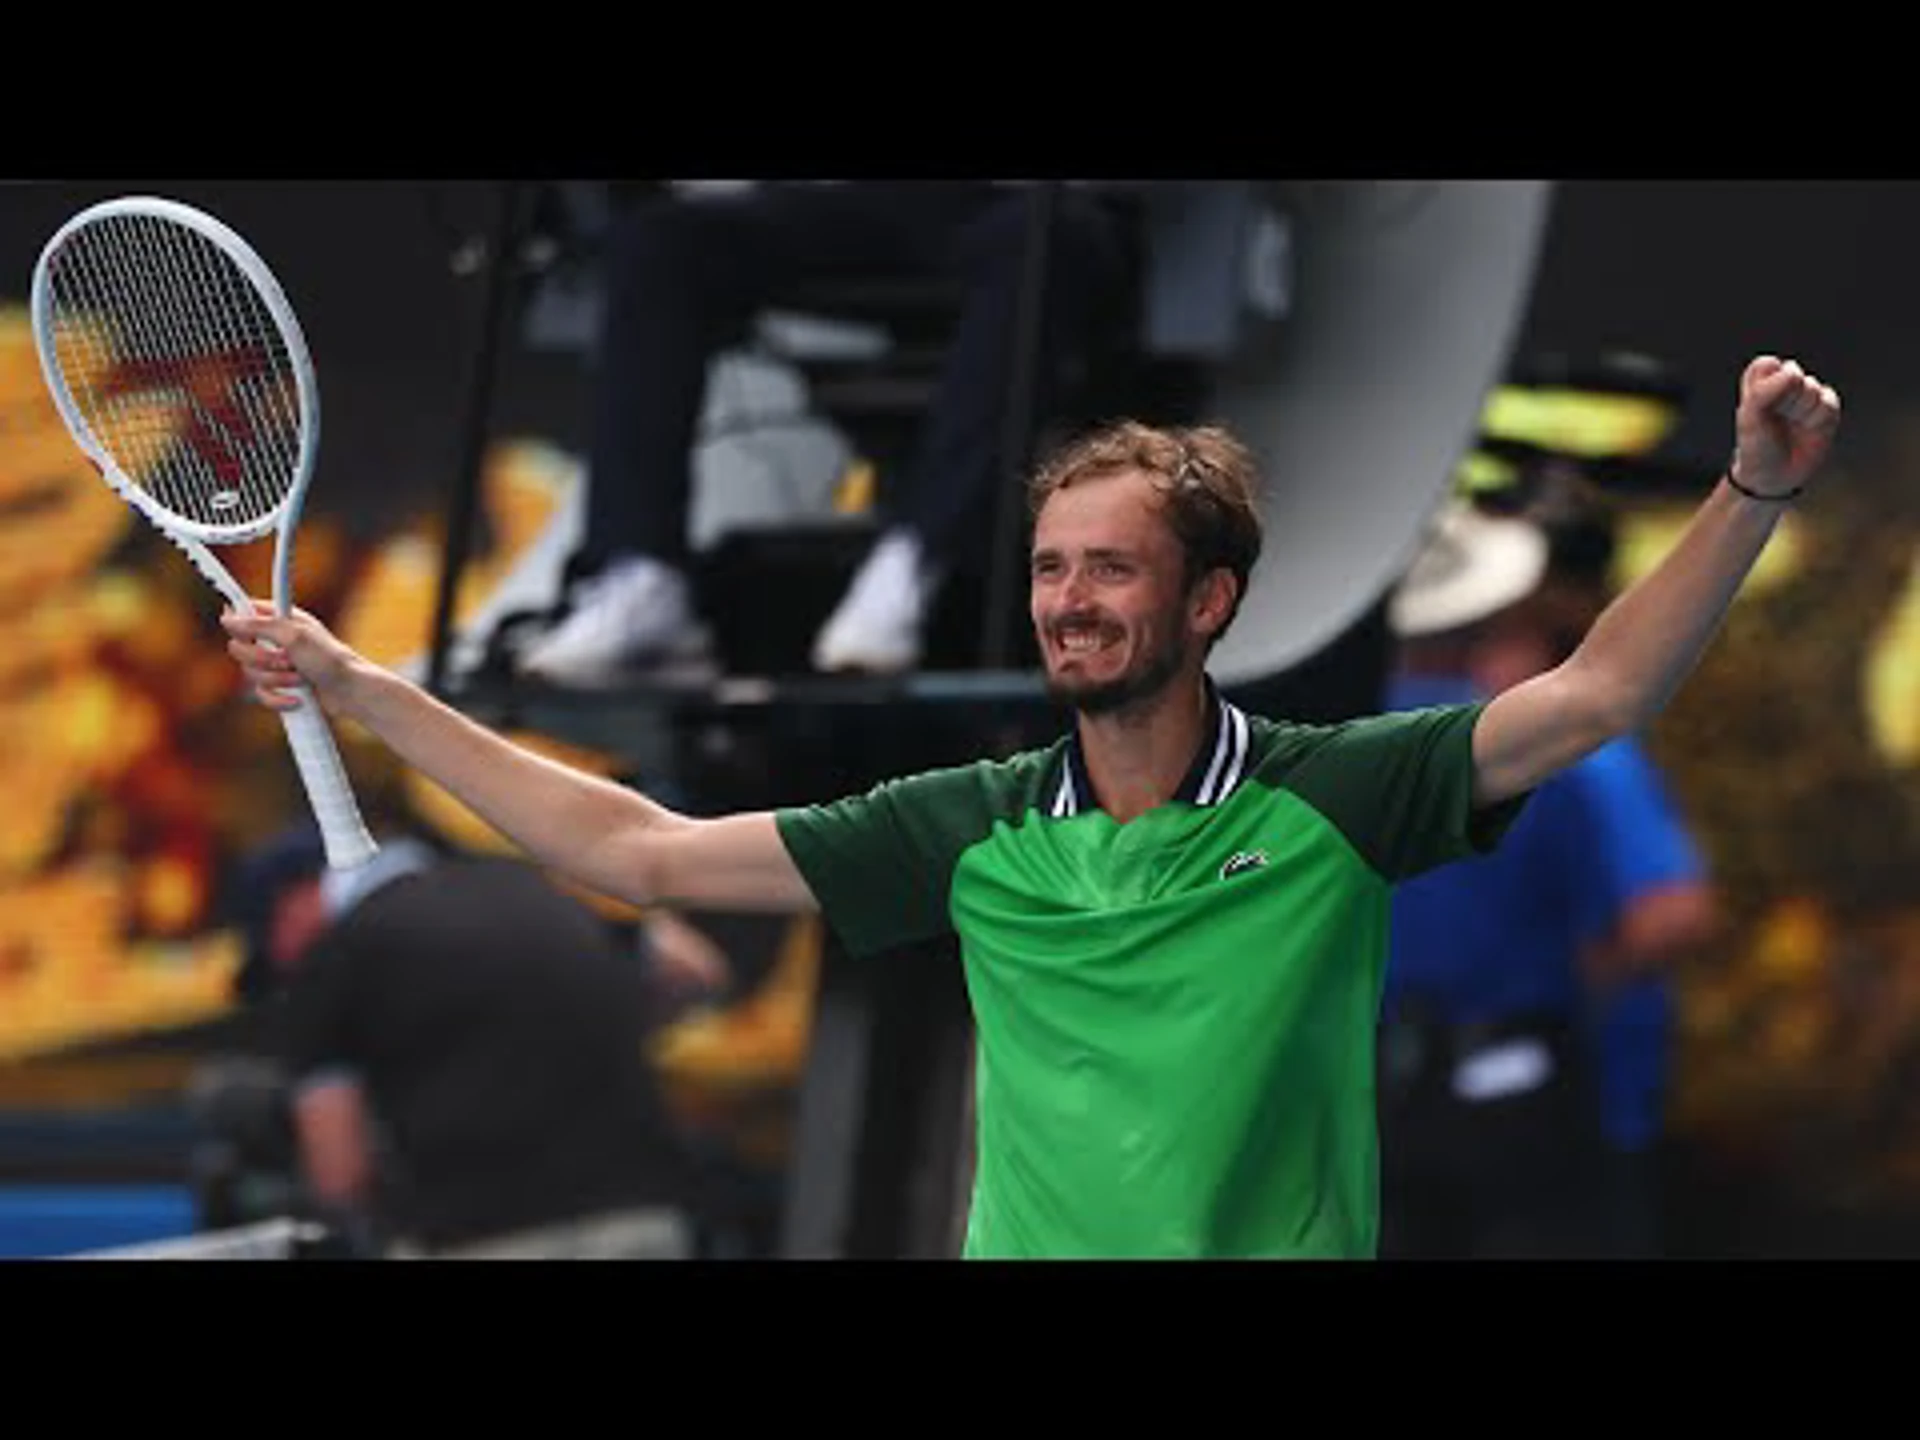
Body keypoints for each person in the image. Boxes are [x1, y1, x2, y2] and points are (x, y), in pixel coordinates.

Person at [224, 354, 1840, 1259]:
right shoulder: (970, 823)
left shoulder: (1335, 791)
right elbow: (629, 850)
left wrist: (1753, 487)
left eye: (1111, 570)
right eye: (1052, 568)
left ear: (1210, 602)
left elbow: (1600, 695)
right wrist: (365, 692)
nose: (1067, 602)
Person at [515, 180, 1134, 683]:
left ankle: (918, 564)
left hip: (1017, 206)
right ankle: (641, 575)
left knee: (1046, 237)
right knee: (658, 241)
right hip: (841, 202)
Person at [1376, 501, 1718, 1259]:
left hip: (1364, 1105)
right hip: (1527, 1105)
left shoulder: (1311, 752)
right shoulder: (1543, 751)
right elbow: (1667, 914)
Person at [233, 822, 735, 1259]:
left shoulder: (332, 962)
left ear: (294, 901)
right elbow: (696, 970)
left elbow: (340, 1176)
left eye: (271, 948)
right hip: (644, 1224)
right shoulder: (529, 887)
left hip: (478, 1237)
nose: (282, 968)